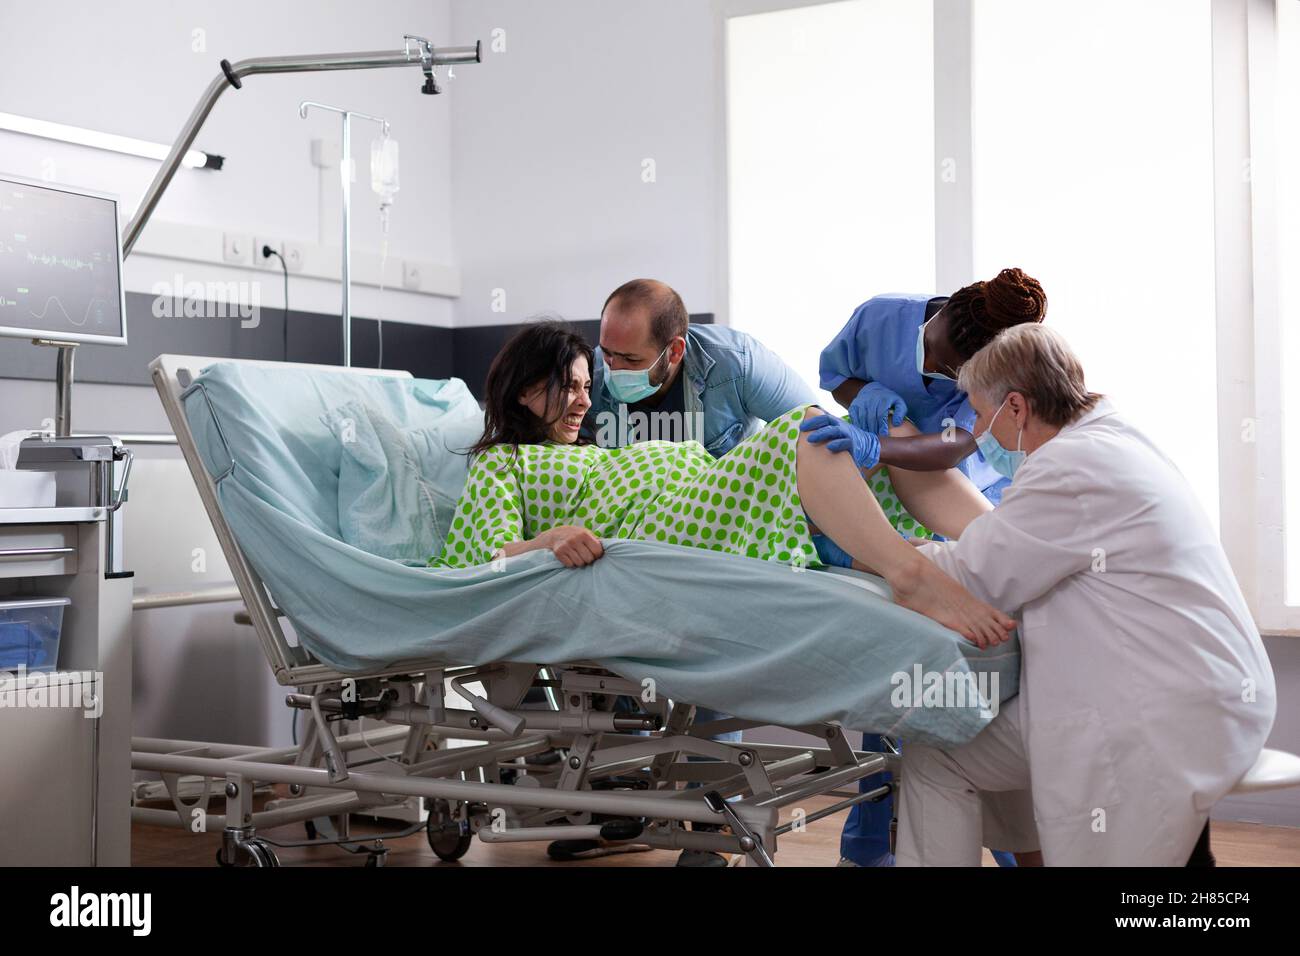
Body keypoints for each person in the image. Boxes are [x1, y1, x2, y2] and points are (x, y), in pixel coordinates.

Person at [889, 324, 1276, 865]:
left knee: (938, 754)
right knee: (958, 747)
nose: (975, 431)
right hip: (1199, 686)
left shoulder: (1068, 468)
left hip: (1157, 708)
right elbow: (1027, 551)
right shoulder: (1112, 438)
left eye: (979, 414)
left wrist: (882, 553)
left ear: (1017, 407)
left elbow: (972, 575)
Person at [814, 268, 1048, 868]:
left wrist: (880, 446)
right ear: (939, 326)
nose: (948, 382)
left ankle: (1014, 851)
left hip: (957, 491)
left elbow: (955, 447)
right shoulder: (882, 317)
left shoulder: (1000, 373)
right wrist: (862, 397)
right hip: (881, 489)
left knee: (967, 676)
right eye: (948, 369)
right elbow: (836, 373)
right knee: (902, 672)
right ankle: (867, 847)